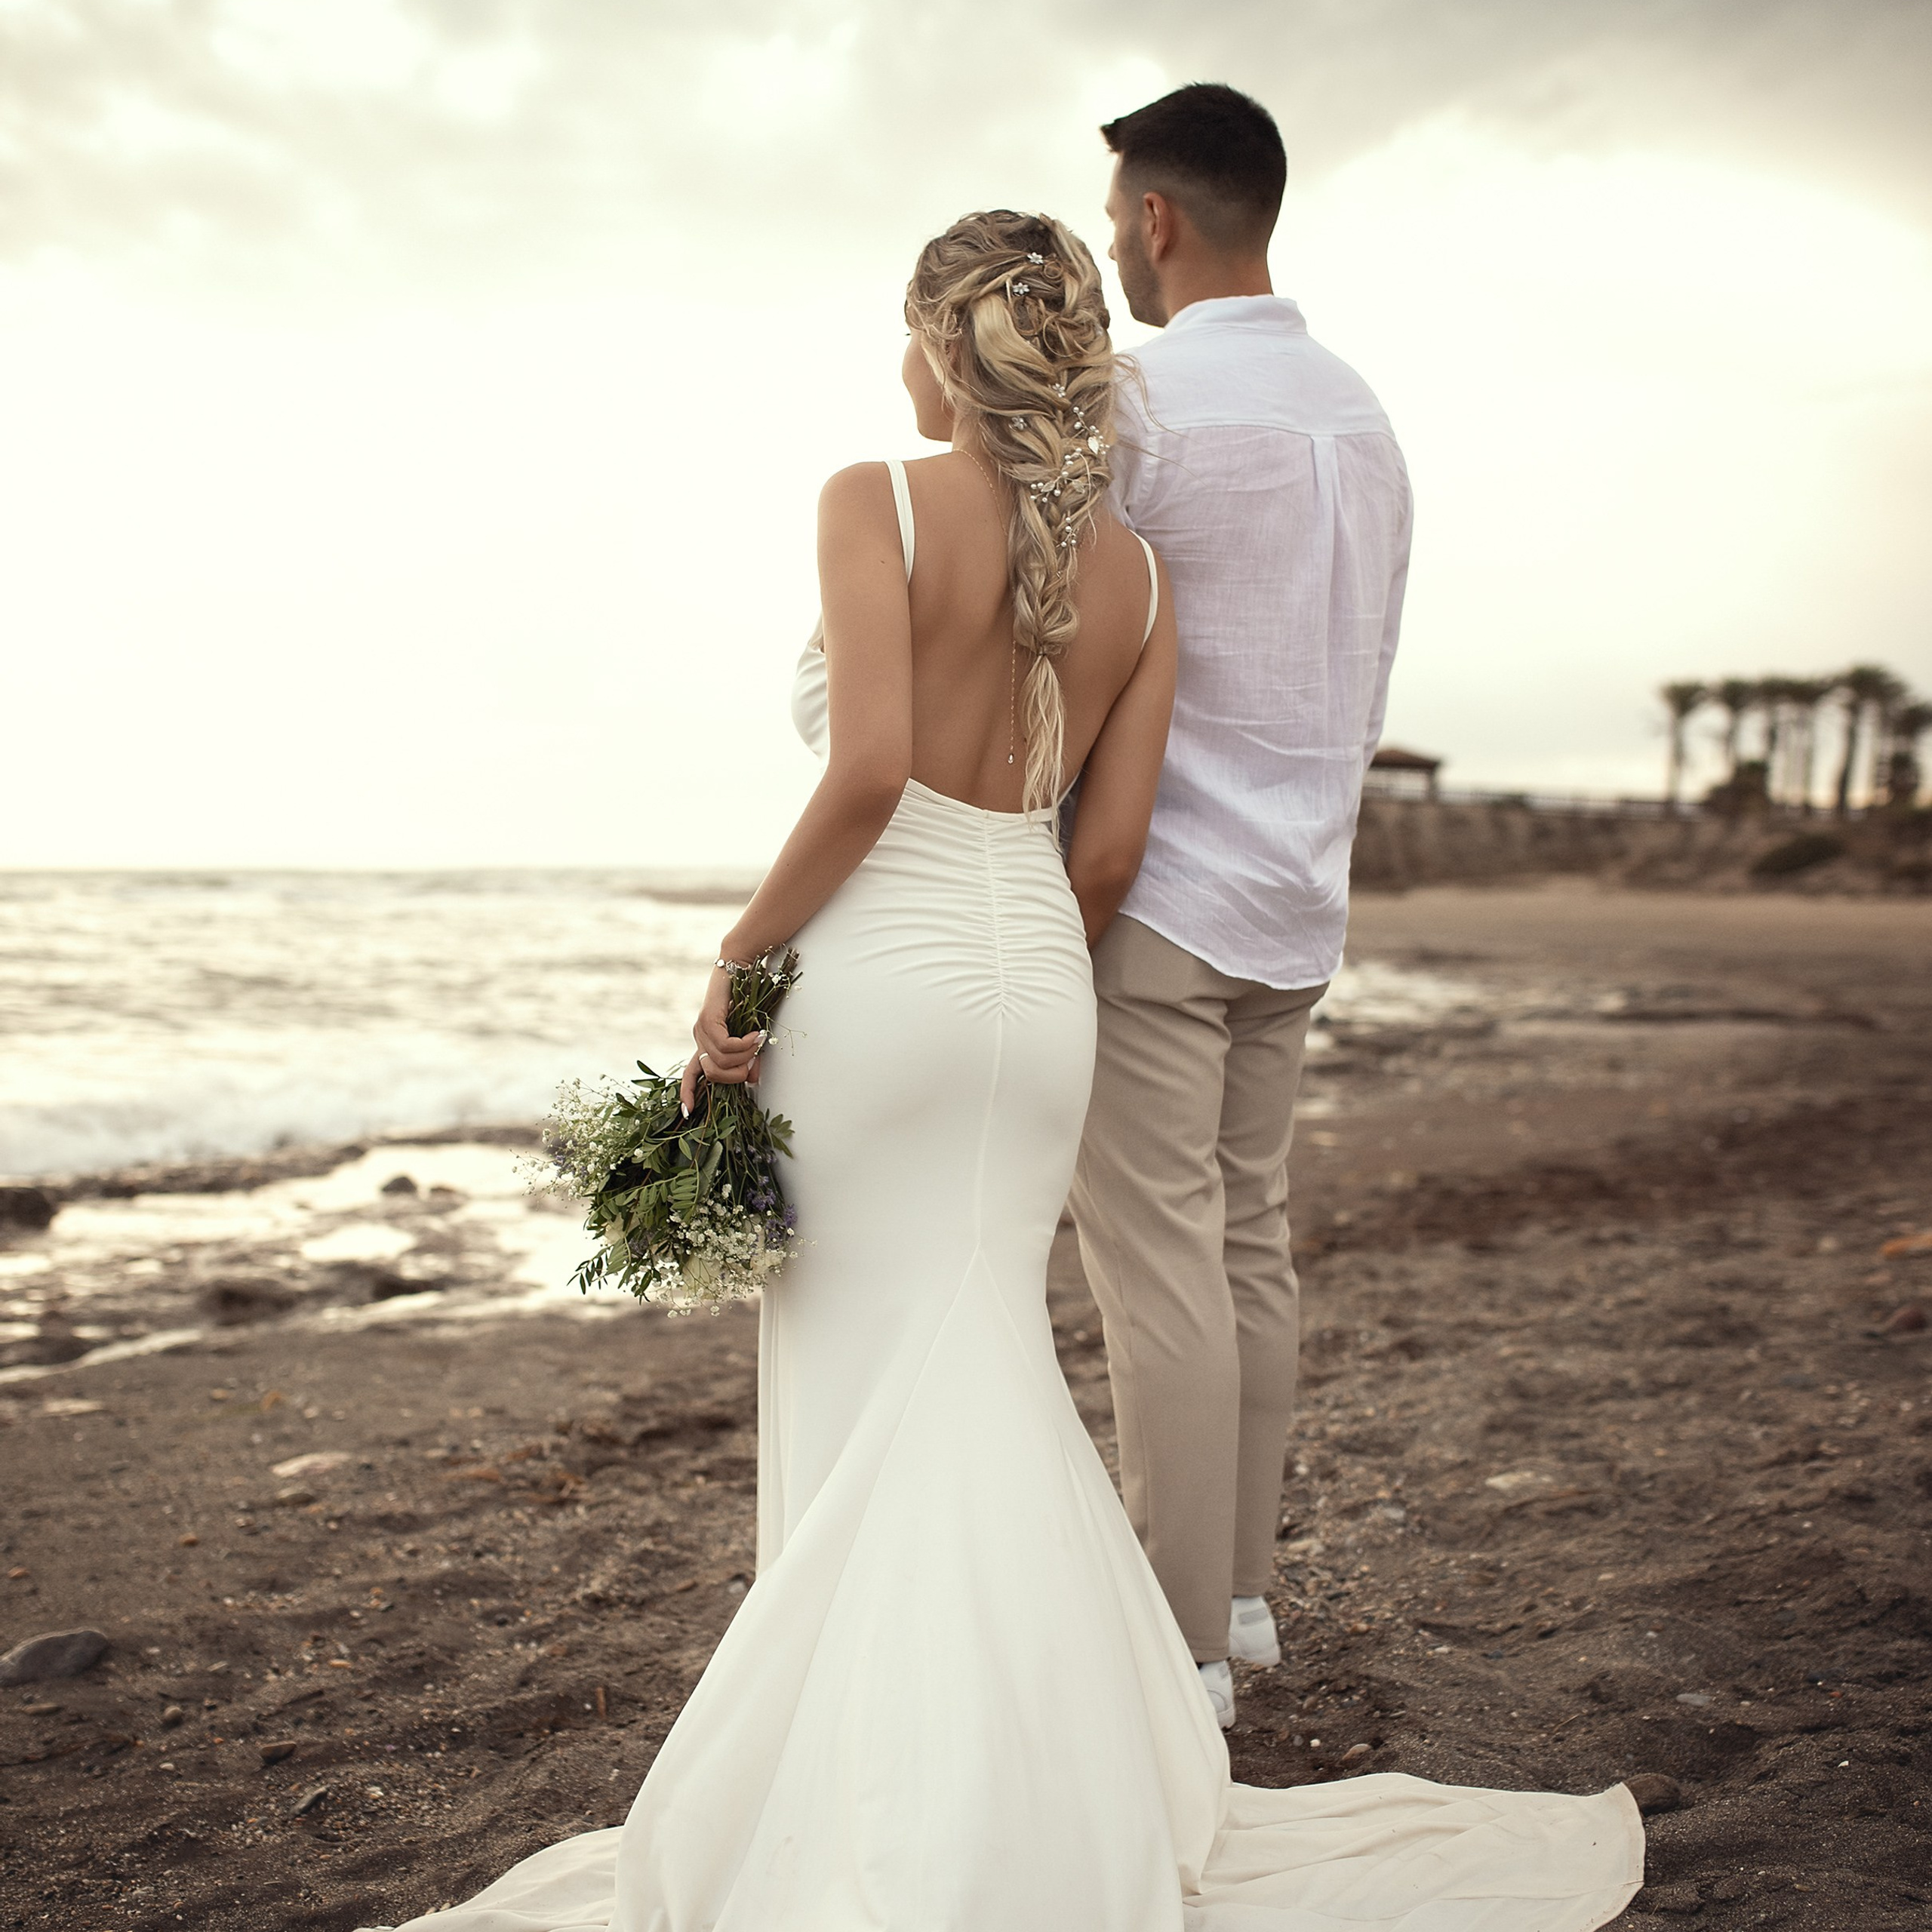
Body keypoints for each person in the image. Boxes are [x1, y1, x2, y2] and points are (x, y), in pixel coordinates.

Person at [361, 209, 1639, 1932]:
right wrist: (1018, 960)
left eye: (905, 330)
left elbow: (870, 768)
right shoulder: (1140, 574)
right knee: (987, 1358)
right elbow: (1103, 855)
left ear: (938, 343)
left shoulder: (868, 499)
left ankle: (873, 1802)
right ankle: (1051, 1776)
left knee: (863, 1369)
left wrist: (733, 963)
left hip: (877, 986)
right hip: (1038, 986)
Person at [1069, 83, 1414, 1730]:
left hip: (1156, 890)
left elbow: (1064, 640)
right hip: (1299, 887)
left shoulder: (1137, 406)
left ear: (1150, 218)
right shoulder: (1362, 419)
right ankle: (1247, 1596)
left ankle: (1181, 1643)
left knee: (1157, 1273)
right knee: (1245, 1241)